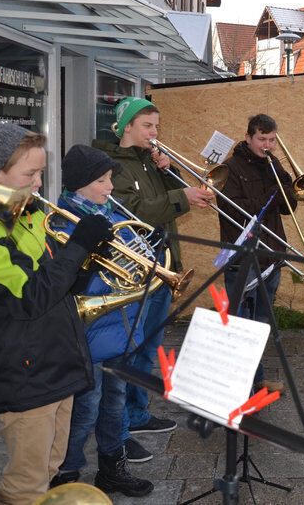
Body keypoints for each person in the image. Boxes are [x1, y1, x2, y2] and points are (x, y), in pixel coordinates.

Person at [0, 124, 108, 505]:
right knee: (26, 484)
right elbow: (31, 297)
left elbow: (55, 282)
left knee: (50, 466)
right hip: (23, 370)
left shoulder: (26, 213)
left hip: (55, 358)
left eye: (40, 173)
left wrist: (87, 260)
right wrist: (78, 246)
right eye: (30, 174)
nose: (39, 184)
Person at [92, 97, 214, 462]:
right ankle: (122, 426)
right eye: (148, 126)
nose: (155, 133)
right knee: (129, 348)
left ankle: (139, 413)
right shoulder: (111, 166)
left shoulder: (150, 161)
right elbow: (135, 211)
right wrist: (181, 195)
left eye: (157, 126)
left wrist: (168, 172)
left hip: (161, 267)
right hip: (135, 272)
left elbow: (163, 205)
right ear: (126, 126)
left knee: (149, 346)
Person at [49, 145, 153, 497]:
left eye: (110, 179)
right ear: (80, 184)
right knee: (85, 408)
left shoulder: (109, 214)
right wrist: (97, 259)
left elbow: (134, 264)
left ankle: (112, 469)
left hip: (120, 326)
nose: (110, 187)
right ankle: (67, 472)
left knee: (115, 401)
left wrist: (145, 257)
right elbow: (66, 278)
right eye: (102, 180)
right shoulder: (63, 221)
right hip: (89, 331)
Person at [215, 113, 297, 393]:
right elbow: (232, 213)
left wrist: (285, 190)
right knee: (239, 323)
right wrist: (272, 194)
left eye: (272, 139)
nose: (268, 145)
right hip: (242, 255)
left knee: (261, 322)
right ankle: (237, 387)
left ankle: (257, 378)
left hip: (271, 252)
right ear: (248, 137)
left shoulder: (273, 163)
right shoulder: (229, 168)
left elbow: (289, 207)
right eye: (262, 139)